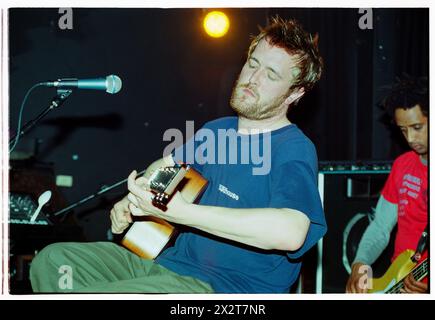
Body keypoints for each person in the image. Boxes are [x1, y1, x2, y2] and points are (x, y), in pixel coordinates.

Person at [30, 17, 327, 293]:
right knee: (53, 261)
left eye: (271, 74)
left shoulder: (293, 148)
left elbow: (291, 232)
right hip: (164, 267)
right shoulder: (216, 131)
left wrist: (184, 213)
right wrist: (132, 202)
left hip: (223, 288)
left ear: (294, 94)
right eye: (253, 64)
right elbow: (168, 166)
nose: (253, 78)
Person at [346, 75, 428, 294]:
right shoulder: (402, 165)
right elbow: (381, 226)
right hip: (397, 279)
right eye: (403, 130)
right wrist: (360, 262)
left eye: (417, 127)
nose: (410, 138)